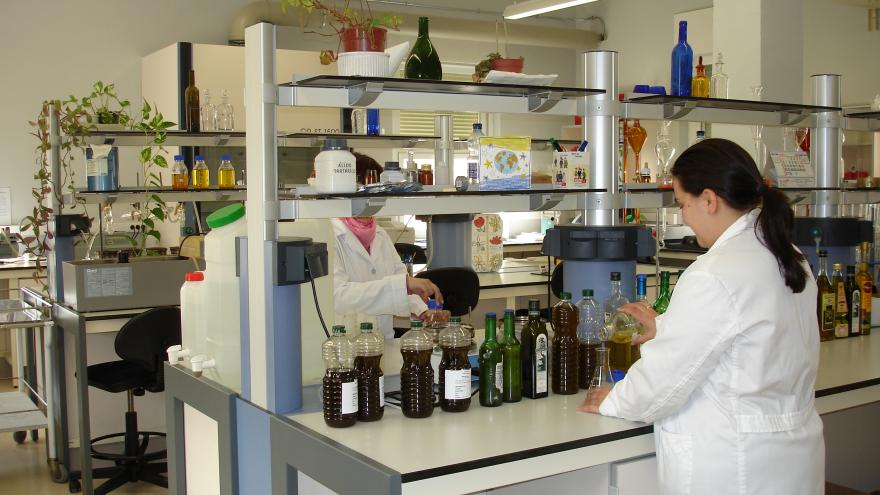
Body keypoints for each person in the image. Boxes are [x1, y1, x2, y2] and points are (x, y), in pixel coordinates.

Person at [580, 139, 824, 494]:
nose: (683, 217)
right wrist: (664, 326)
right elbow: (747, 338)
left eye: (682, 204)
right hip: (791, 458)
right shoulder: (788, 253)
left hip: (734, 465)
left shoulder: (715, 272)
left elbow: (664, 383)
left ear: (709, 200)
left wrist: (614, 399)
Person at [333, 153, 448, 339]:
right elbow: (339, 296)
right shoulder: (332, 236)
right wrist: (404, 283)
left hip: (382, 341)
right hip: (347, 345)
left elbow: (398, 284)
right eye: (371, 191)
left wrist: (423, 312)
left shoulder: (380, 234)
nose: (376, 200)